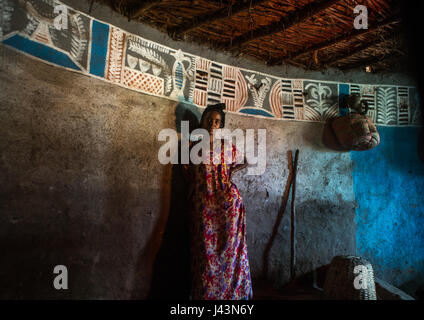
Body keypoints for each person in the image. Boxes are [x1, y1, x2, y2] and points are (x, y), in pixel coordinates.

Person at [182, 103, 253, 300]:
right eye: (209, 120)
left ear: (221, 125)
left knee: (229, 251)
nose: (213, 124)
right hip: (203, 204)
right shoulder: (193, 148)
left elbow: (246, 160)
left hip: (227, 204)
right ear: (202, 122)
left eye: (217, 121)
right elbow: (186, 172)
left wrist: (230, 172)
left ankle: (233, 295)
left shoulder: (227, 147)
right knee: (206, 253)